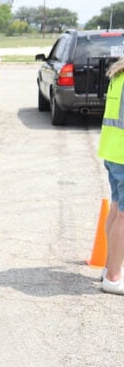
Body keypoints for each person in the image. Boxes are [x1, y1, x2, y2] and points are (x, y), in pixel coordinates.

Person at [99, 57, 124, 295]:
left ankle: (110, 267)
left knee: (117, 208)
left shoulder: (118, 73)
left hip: (113, 151)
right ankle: (114, 277)